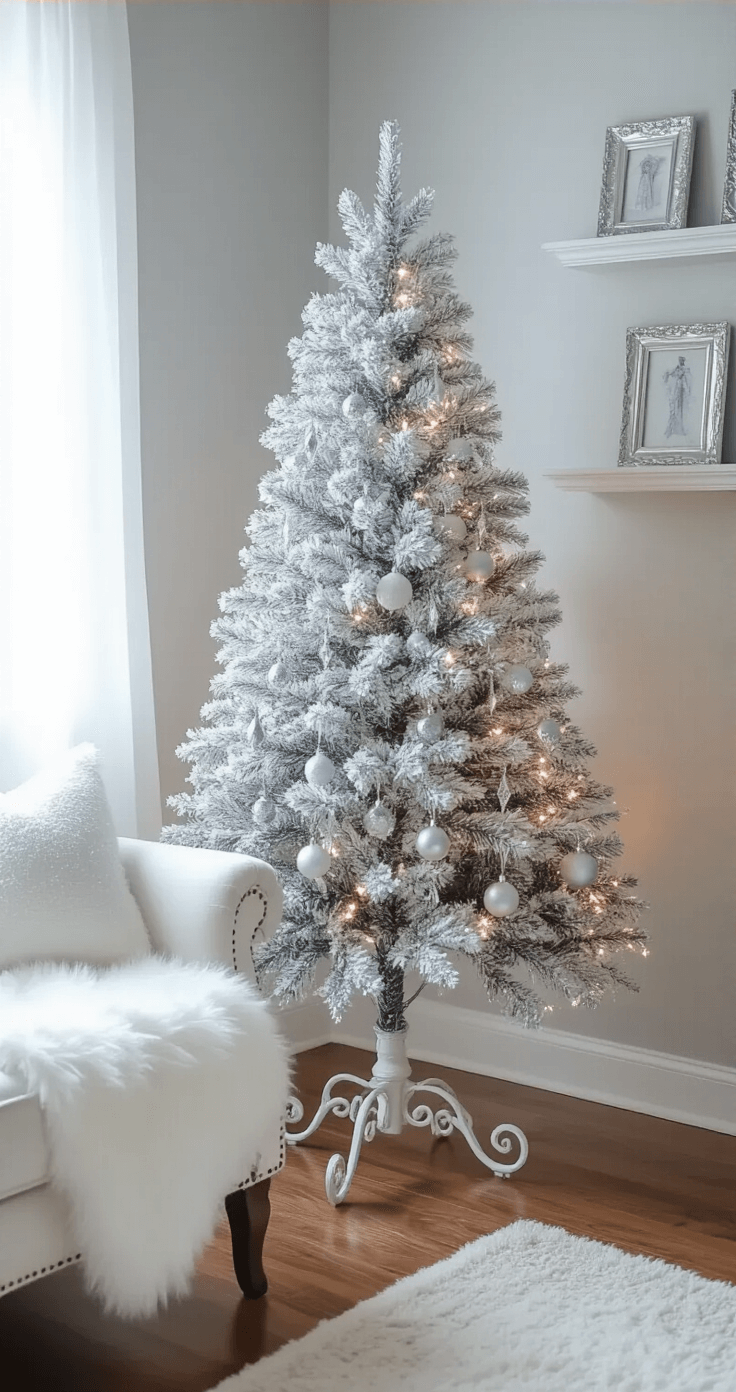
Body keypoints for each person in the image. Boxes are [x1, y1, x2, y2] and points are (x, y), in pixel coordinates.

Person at [663, 355, 692, 438]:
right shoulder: (677, 368)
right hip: (675, 391)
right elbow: (672, 374)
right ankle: (672, 428)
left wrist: (687, 391)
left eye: (681, 360)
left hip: (680, 392)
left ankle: (679, 428)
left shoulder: (685, 370)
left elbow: (686, 381)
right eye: (679, 360)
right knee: (674, 408)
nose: (680, 361)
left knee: (679, 409)